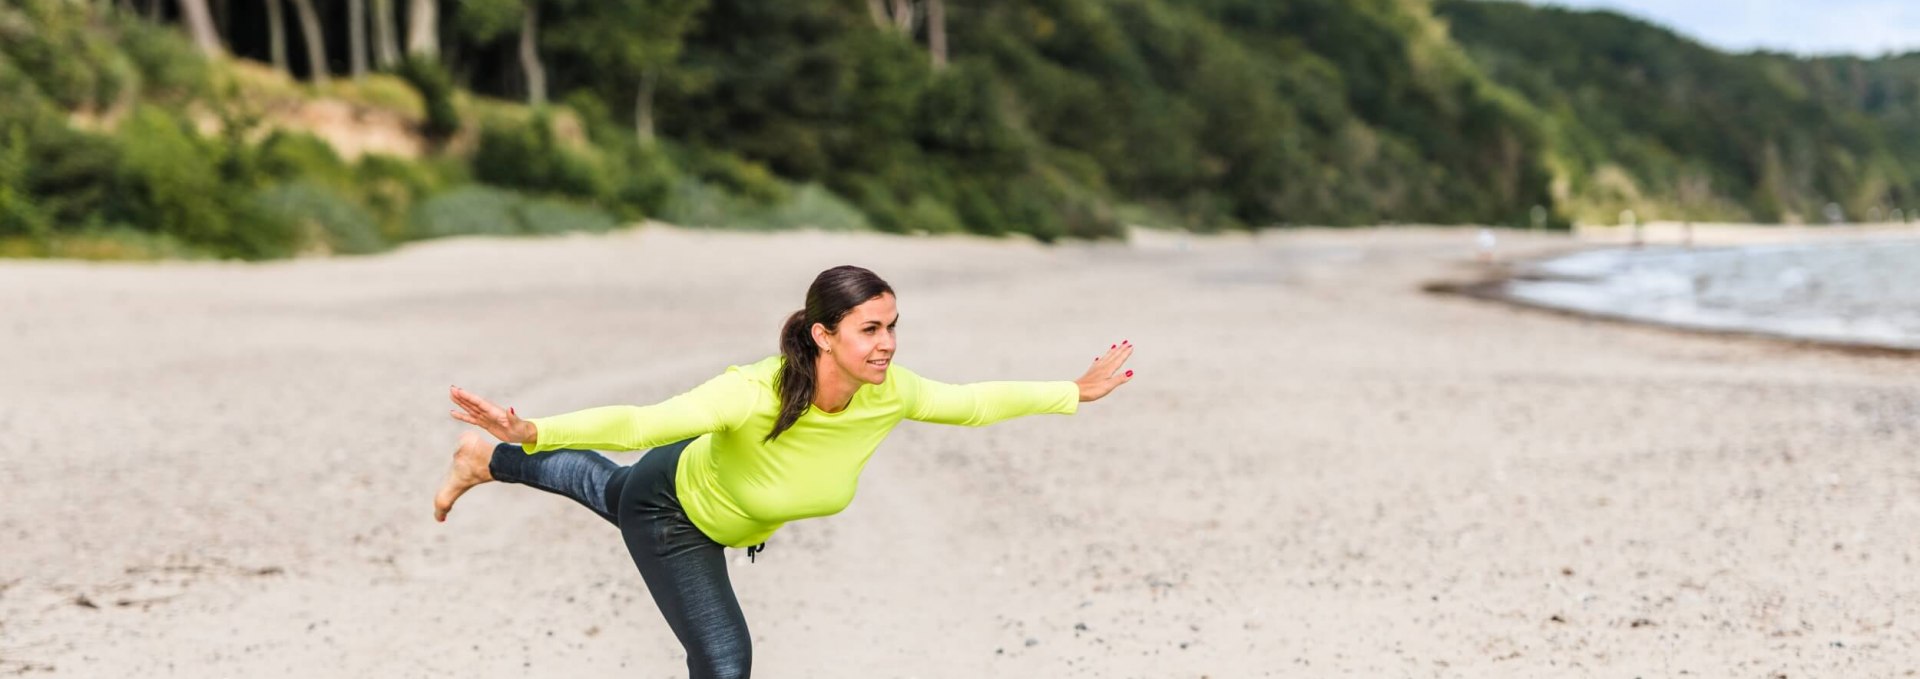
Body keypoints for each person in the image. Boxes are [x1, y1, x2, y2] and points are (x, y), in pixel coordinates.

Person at [431, 265, 1135, 678]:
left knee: (604, 486)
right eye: (870, 329)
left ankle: (487, 460)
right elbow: (646, 422)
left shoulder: (890, 391)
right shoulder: (754, 390)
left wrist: (1073, 391)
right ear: (824, 334)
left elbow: (976, 402)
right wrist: (534, 428)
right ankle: (502, 452)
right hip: (674, 510)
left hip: (703, 496)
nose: (887, 343)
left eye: (893, 326)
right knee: (725, 656)